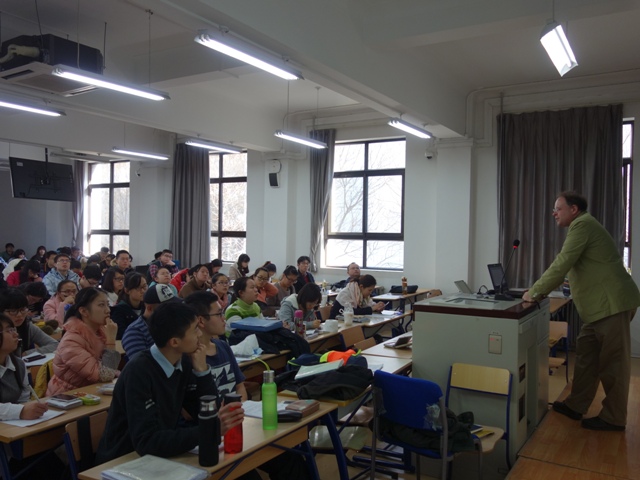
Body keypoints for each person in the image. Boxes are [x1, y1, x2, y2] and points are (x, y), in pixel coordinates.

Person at [523, 192, 640, 431]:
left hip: (611, 305)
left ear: (574, 209)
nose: (554, 213)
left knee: (613, 364)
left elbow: (562, 262)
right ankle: (576, 405)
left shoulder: (582, 225)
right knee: (587, 356)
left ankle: (614, 418)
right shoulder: (583, 226)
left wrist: (534, 292)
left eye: (558, 208)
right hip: (598, 309)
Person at [182, 292, 312, 480]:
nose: (224, 319)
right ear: (201, 321)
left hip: (239, 422)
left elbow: (240, 386)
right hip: (212, 436)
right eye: (219, 314)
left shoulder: (222, 347)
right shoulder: (189, 359)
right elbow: (189, 410)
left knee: (290, 458)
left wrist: (239, 409)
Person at [95, 303, 222, 464]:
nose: (200, 333)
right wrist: (209, 431)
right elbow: (147, 441)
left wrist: (202, 372)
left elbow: (204, 413)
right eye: (195, 329)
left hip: (159, 454)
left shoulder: (183, 361)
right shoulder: (139, 371)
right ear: (174, 342)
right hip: (123, 460)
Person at [46, 287, 120, 396]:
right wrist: (111, 341)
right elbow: (105, 375)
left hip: (91, 393)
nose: (108, 310)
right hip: (68, 397)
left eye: (107, 304)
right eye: (101, 305)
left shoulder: (100, 332)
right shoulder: (71, 341)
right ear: (84, 311)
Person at [0, 313, 49, 421]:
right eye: (9, 331)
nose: (16, 334)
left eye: (14, 329)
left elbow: (23, 399)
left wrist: (34, 408)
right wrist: (21, 411)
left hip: (13, 426)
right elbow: (21, 409)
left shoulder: (18, 364)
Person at [121, 284, 182, 360]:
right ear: (149, 308)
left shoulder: (173, 324)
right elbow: (141, 365)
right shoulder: (134, 333)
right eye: (167, 308)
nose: (173, 311)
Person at [0, 288, 58, 356]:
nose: (19, 315)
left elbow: (55, 344)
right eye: (13, 311)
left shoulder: (28, 326)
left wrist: (27, 354)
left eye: (23, 309)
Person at [110, 272, 147, 339]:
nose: (143, 291)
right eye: (138, 288)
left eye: (144, 287)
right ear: (127, 290)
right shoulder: (119, 310)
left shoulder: (147, 307)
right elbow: (121, 334)